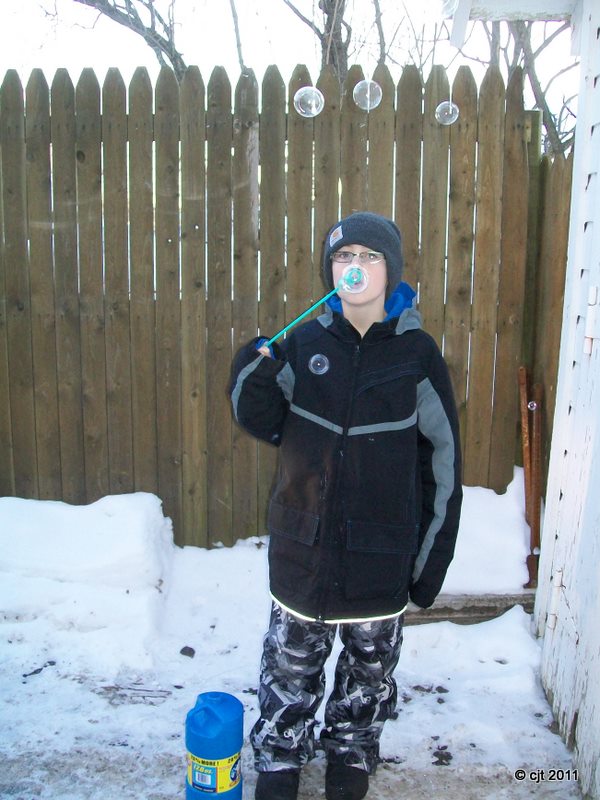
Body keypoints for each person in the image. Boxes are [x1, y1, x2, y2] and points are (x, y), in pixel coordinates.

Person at [229, 211, 462, 800]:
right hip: (303, 548)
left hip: (379, 554)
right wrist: (252, 370)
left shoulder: (416, 355)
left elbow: (442, 465)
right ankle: (280, 756)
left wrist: (428, 565)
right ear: (330, 270)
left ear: (391, 270)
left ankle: (351, 755)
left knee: (368, 673)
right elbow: (261, 418)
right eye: (343, 256)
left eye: (368, 256)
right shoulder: (305, 342)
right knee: (289, 668)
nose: (354, 267)